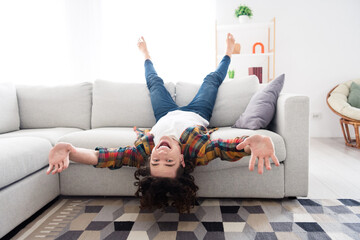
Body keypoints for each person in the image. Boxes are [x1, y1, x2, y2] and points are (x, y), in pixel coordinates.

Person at [46, 33, 280, 213]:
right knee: (211, 80)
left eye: (156, 160)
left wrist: (70, 150)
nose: (160, 153)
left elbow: (104, 158)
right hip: (197, 112)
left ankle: (146, 54)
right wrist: (253, 142)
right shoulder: (198, 150)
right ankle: (229, 53)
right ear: (181, 160)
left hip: (165, 114)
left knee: (154, 83)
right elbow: (229, 148)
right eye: (168, 161)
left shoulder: (143, 153)